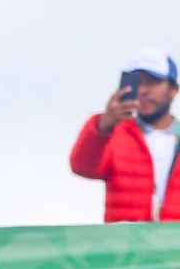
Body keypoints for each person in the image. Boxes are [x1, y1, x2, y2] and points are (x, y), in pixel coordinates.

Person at [70, 48, 180, 221]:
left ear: (173, 89)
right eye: (138, 82)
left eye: (152, 82)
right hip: (126, 246)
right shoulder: (113, 134)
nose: (143, 90)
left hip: (173, 245)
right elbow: (82, 166)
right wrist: (104, 124)